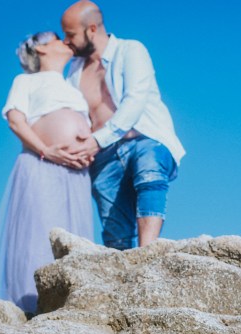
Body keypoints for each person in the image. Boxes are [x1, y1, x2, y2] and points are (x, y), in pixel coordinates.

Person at [0, 31, 94, 315]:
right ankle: (33, 306)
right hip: (41, 164)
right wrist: (46, 150)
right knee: (38, 233)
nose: (65, 42)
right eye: (57, 38)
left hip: (75, 174)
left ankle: (68, 306)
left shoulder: (73, 87)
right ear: (41, 49)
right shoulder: (26, 81)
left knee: (73, 237)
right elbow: (16, 121)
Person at [61, 1, 185, 250]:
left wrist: (97, 139)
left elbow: (135, 100)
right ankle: (123, 267)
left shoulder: (130, 50)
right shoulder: (74, 72)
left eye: (71, 34)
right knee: (114, 231)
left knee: (148, 170)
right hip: (103, 155)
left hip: (143, 139)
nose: (66, 41)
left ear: (92, 29)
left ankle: (148, 252)